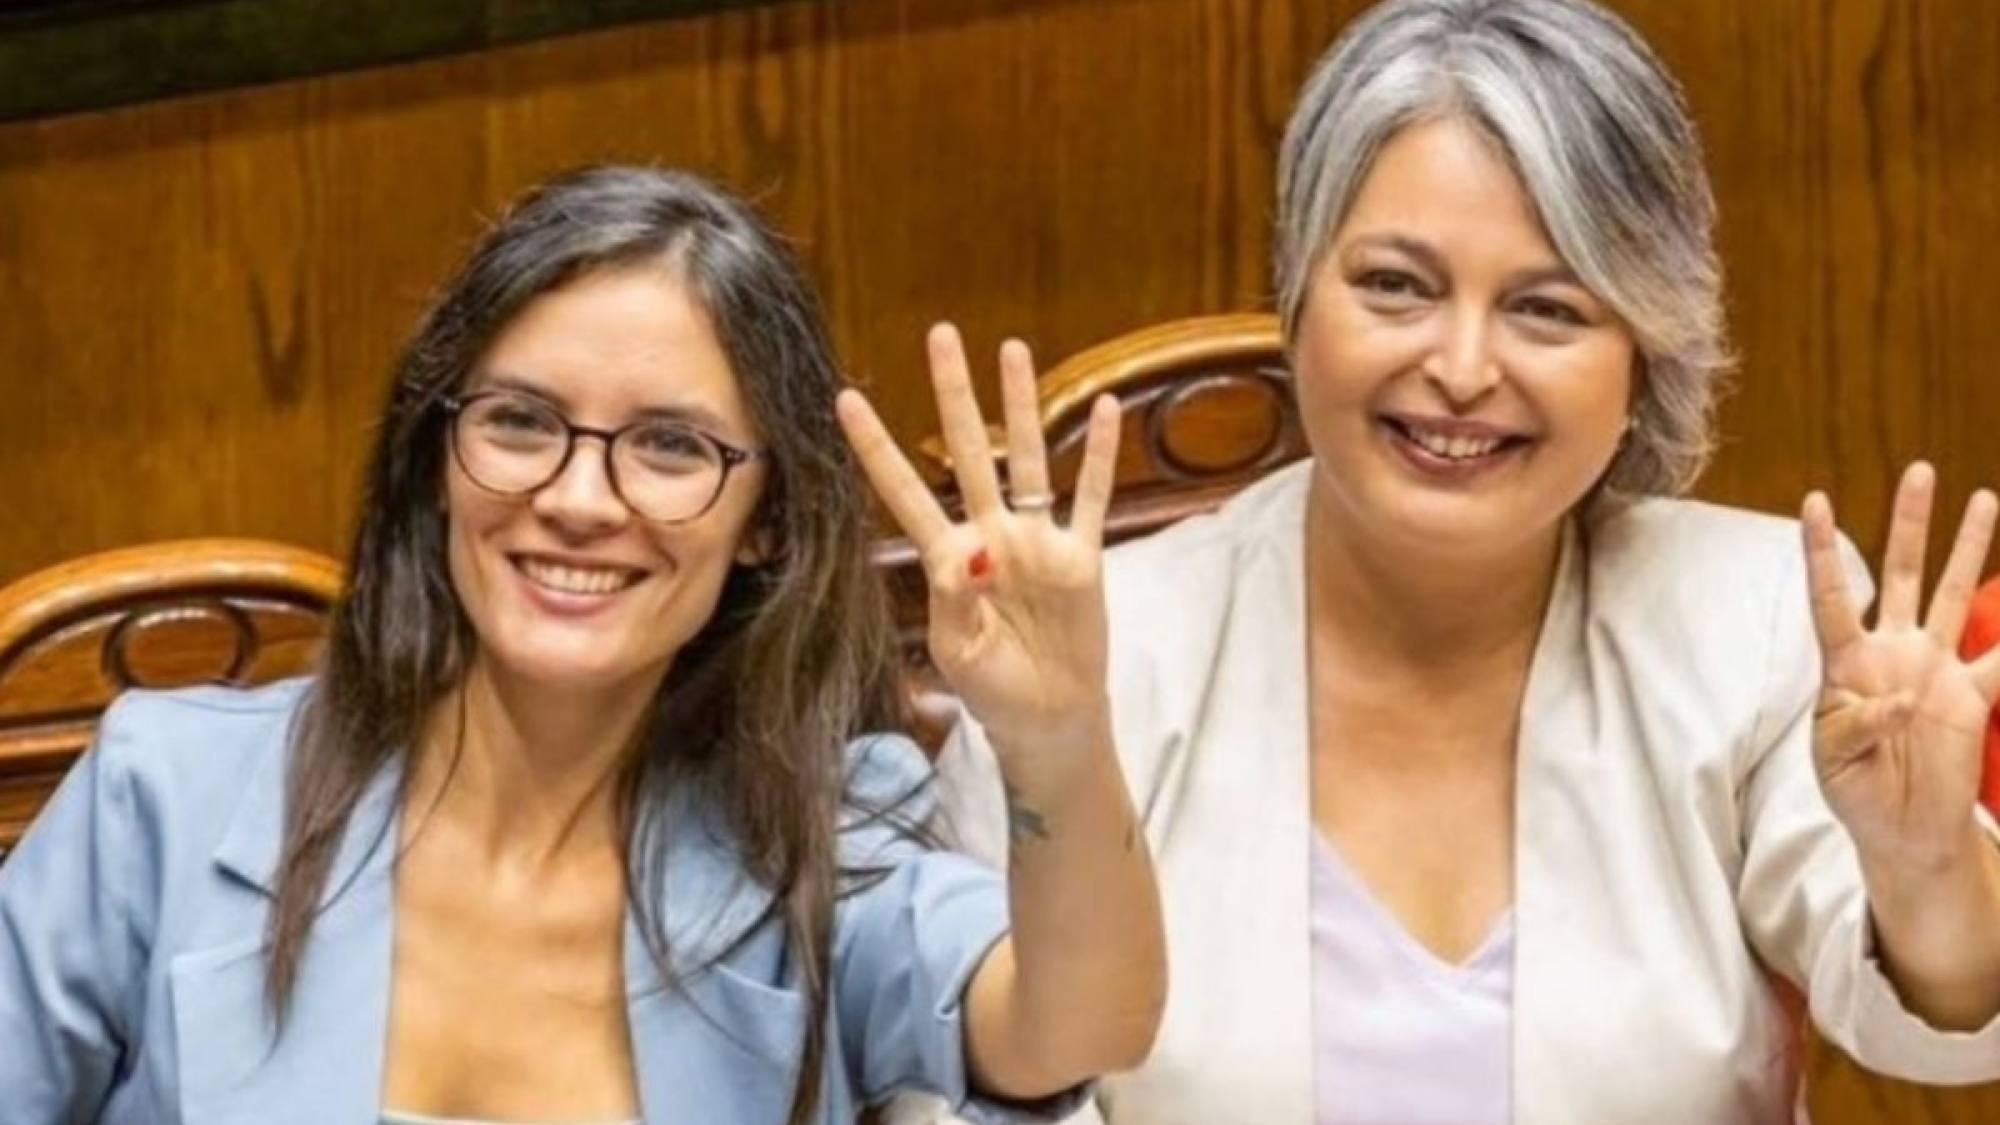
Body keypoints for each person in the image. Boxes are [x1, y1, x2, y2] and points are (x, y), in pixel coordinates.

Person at [907, 1, 2000, 1121]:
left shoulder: (1753, 618)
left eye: (1546, 308)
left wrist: (1926, 862)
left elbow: (1945, 1024)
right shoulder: (1088, 663)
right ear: (1295, 294)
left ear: (1643, 352)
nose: (1463, 369)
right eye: (1396, 285)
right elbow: (961, 1093)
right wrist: (1051, 738)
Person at [0, 166, 1165, 1124]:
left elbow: (1075, 1028)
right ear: (435, 458)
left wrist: (1055, 737)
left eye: (669, 447)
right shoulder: (164, 795)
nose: (576, 498)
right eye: (520, 422)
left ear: (765, 520)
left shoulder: (824, 832)